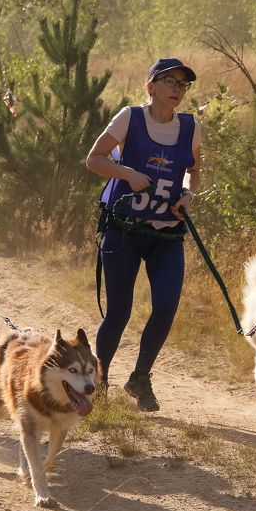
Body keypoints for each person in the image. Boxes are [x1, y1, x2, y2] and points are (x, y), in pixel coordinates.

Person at [85, 57, 202, 411]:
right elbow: (94, 159)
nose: (177, 89)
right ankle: (100, 380)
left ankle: (140, 378)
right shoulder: (130, 117)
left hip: (166, 234)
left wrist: (188, 194)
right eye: (170, 82)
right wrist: (126, 173)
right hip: (124, 230)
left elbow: (194, 171)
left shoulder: (190, 126)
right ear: (151, 87)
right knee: (119, 311)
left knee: (166, 306)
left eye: (183, 84)